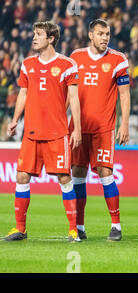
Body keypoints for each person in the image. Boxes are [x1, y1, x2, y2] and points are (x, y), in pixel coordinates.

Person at [3, 21, 82, 242]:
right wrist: (15, 119)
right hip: (31, 132)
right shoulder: (28, 64)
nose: (34, 38)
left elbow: (74, 97)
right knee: (21, 175)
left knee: (64, 178)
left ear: (51, 39)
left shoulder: (68, 64)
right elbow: (23, 94)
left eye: (38, 34)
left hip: (57, 132)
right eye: (34, 34)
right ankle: (20, 229)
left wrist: (77, 128)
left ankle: (73, 230)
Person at [69, 19, 131, 241]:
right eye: (101, 33)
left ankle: (116, 226)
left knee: (105, 173)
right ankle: (79, 227)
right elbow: (70, 93)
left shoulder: (118, 59)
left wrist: (124, 123)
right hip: (77, 128)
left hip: (103, 128)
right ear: (90, 35)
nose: (105, 37)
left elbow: (124, 94)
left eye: (108, 34)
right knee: (77, 175)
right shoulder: (75, 57)